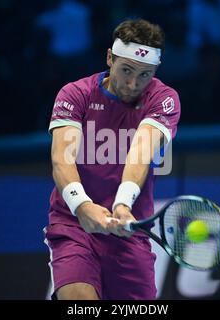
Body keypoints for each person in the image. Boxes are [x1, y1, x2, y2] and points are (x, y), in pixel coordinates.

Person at [44, 18, 181, 300]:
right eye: (126, 70)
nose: (133, 84)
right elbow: (61, 159)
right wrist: (81, 206)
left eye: (145, 75)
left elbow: (141, 153)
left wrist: (122, 204)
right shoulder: (75, 94)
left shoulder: (164, 99)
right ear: (110, 57)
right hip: (73, 225)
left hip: (129, 231)